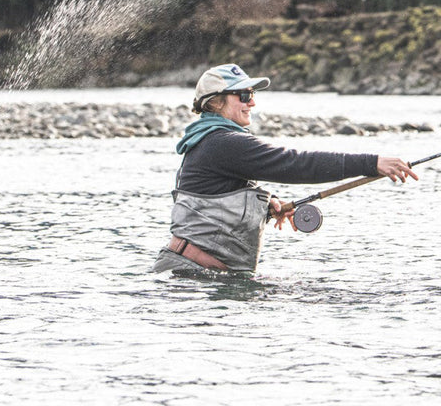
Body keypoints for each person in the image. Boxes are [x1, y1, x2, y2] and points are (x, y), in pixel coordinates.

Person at [151, 63, 417, 275]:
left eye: (252, 94)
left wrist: (264, 206)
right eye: (244, 95)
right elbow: (295, 163)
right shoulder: (223, 143)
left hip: (193, 274)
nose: (252, 102)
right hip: (193, 278)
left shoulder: (205, 140)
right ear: (215, 102)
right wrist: (371, 163)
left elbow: (214, 194)